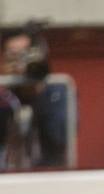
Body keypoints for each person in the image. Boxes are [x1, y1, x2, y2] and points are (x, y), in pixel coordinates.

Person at [1, 21, 71, 169]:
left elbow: (60, 137)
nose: (19, 63)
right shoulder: (4, 99)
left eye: (25, 56)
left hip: (48, 180)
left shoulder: (58, 91)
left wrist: (38, 90)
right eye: (12, 57)